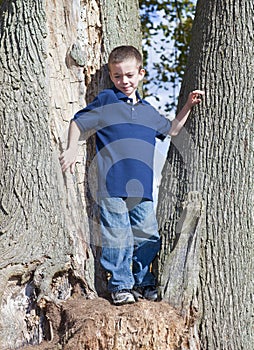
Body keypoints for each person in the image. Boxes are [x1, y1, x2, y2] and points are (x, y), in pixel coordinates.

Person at [60, 45, 204, 305]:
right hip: (111, 185)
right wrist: (71, 149)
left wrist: (188, 106)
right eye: (117, 76)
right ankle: (120, 285)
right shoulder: (106, 101)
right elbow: (78, 122)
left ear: (140, 74)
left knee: (149, 236)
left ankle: (142, 280)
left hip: (142, 189)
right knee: (118, 236)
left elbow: (171, 130)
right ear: (111, 77)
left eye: (128, 75)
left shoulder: (148, 111)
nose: (123, 81)